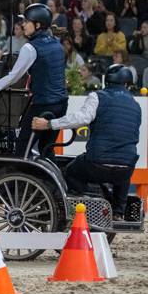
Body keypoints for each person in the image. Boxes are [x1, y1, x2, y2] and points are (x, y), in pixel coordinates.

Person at [32, 64, 141, 219]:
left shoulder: (98, 96)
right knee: (123, 173)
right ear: (127, 83)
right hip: (126, 166)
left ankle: (90, 205)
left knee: (70, 172)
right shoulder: (136, 105)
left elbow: (81, 118)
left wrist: (49, 124)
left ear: (107, 81)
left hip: (97, 162)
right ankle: (118, 212)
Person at [0, 3, 68, 156]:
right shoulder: (57, 44)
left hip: (42, 106)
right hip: (61, 105)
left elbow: (13, 77)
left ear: (37, 25)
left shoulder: (30, 48)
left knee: (22, 150)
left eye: (26, 21)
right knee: (47, 149)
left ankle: (18, 173)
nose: (23, 25)